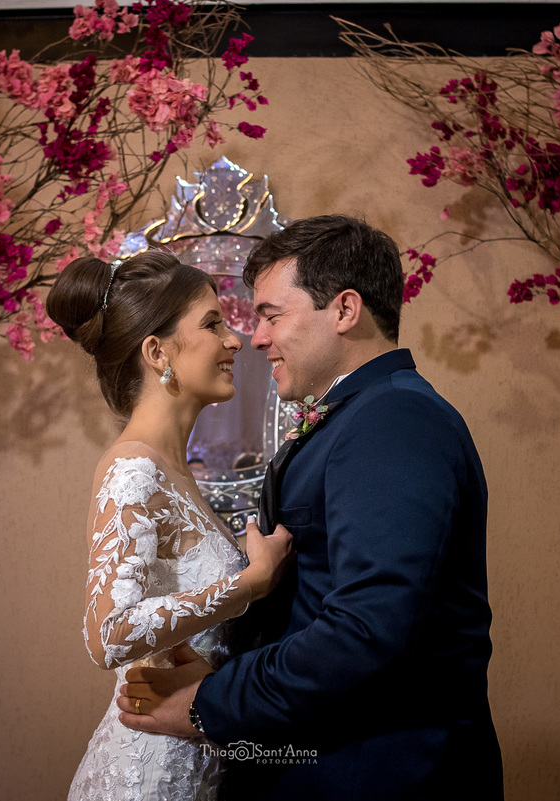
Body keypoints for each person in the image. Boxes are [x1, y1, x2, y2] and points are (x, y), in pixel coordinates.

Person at [114, 215, 504, 800]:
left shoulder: (394, 421)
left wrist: (209, 702)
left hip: (380, 775)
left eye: (272, 315)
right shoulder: (362, 414)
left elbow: (366, 632)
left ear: (344, 310)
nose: (256, 338)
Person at [46, 250, 295, 801]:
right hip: (147, 777)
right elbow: (108, 635)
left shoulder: (174, 471)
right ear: (157, 352)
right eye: (212, 324)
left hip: (193, 762)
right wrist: (249, 584)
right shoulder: (132, 469)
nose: (234, 340)